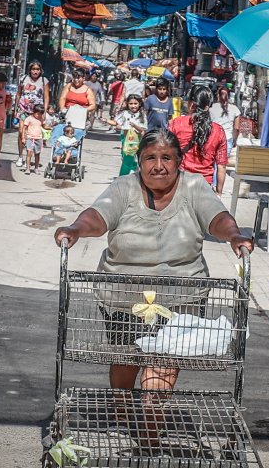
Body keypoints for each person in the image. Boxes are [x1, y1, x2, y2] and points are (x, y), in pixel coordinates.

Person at [53, 129, 254, 434]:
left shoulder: (193, 186)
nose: (158, 165)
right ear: (139, 160)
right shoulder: (124, 187)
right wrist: (76, 229)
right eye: (150, 158)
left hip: (181, 297)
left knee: (164, 360)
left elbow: (218, 218)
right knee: (126, 354)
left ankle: (149, 429)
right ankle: (122, 410)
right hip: (123, 295)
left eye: (166, 158)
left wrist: (234, 235)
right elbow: (97, 216)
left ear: (179, 161)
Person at [169, 86, 229, 193]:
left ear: (191, 104)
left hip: (179, 183)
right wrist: (219, 192)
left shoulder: (177, 124)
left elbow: (165, 153)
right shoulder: (218, 131)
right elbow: (221, 166)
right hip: (204, 186)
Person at [14, 61, 51, 170]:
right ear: (30, 70)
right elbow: (18, 94)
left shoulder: (44, 81)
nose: (35, 71)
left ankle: (28, 158)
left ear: (40, 70)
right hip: (23, 109)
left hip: (37, 112)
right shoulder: (23, 79)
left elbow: (46, 97)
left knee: (32, 135)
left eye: (37, 69)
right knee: (22, 132)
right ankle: (20, 156)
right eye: (33, 69)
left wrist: (44, 111)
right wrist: (15, 108)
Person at [107, 94, 147, 176]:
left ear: (139, 104)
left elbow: (143, 130)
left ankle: (125, 176)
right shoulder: (124, 113)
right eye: (131, 104)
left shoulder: (142, 115)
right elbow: (115, 123)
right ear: (127, 104)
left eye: (135, 104)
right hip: (126, 140)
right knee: (126, 159)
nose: (133, 106)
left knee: (130, 159)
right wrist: (106, 121)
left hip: (136, 141)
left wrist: (134, 126)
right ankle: (126, 176)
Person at [209, 85, 241, 161]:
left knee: (212, 163)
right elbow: (236, 128)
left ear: (218, 96)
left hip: (213, 138)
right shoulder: (235, 109)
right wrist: (234, 141)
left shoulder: (211, 108)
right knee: (222, 165)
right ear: (229, 96)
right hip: (227, 139)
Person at [22, 104, 46, 174]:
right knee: (29, 153)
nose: (39, 115)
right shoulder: (29, 119)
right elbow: (24, 128)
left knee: (37, 154)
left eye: (41, 114)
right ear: (34, 112)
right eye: (38, 114)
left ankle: (36, 168)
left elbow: (44, 126)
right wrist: (23, 138)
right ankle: (28, 168)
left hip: (38, 138)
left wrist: (52, 127)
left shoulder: (41, 119)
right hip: (30, 138)